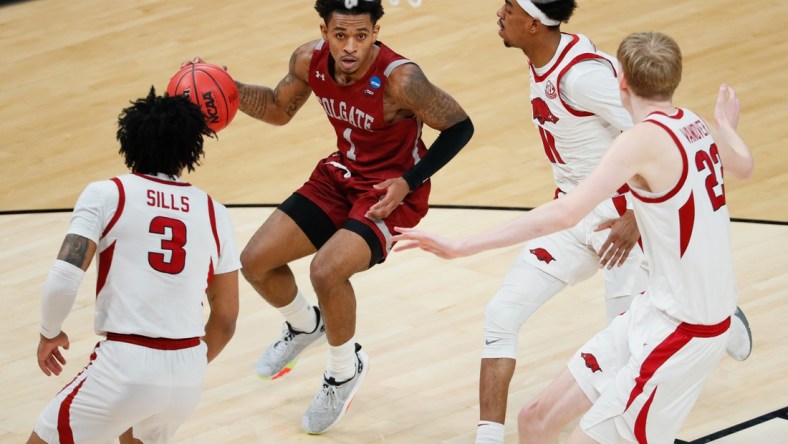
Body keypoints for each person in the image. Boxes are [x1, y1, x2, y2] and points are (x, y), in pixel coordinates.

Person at [394, 30, 754, 443]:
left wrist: (461, 246)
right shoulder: (692, 123)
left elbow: (565, 212)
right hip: (654, 309)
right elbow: (742, 166)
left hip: (686, 330)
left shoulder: (638, 141)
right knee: (535, 420)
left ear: (620, 81)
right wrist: (726, 127)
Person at [215, 0, 473, 435]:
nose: (350, 46)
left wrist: (409, 181)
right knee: (256, 261)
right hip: (340, 176)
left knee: (327, 271)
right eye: (339, 36)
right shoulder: (308, 60)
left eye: (360, 35)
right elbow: (279, 108)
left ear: (376, 31)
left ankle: (342, 370)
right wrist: (226, 87)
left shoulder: (402, 79)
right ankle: (304, 325)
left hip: (390, 193)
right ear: (324, 30)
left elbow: (460, 127)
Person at [28, 87, 240, 444]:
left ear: (128, 141)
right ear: (192, 148)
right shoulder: (214, 212)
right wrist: (179, 375)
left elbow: (65, 276)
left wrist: (50, 331)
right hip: (187, 373)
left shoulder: (107, 194)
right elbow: (227, 318)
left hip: (124, 365)